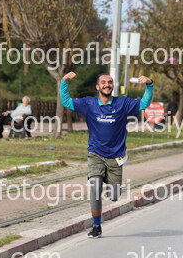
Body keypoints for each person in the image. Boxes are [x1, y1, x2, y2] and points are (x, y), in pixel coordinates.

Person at [60, 72, 153, 238]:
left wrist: (149, 84)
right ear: (97, 86)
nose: (107, 84)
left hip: (116, 156)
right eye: (103, 82)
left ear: (113, 86)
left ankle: (110, 185)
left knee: (114, 196)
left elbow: (144, 103)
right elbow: (66, 101)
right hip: (95, 153)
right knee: (95, 188)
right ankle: (96, 225)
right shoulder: (88, 103)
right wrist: (64, 81)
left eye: (109, 82)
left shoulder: (122, 103)